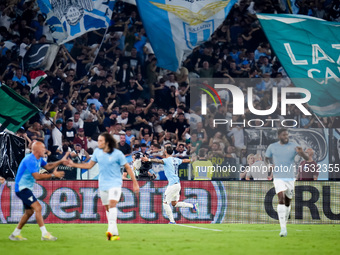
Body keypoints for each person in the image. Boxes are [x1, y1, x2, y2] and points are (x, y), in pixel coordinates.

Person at [66, 132, 139, 241]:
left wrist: (135, 183)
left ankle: (109, 230)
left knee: (112, 204)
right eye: (98, 140)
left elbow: (128, 168)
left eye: (100, 141)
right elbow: (89, 166)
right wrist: (74, 164)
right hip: (103, 184)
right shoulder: (97, 152)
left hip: (115, 183)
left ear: (107, 142)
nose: (98, 143)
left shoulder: (117, 154)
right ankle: (115, 233)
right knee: (107, 208)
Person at [9, 141, 67, 241]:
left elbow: (48, 166)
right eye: (43, 148)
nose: (45, 149)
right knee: (38, 207)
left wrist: (60, 161)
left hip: (25, 188)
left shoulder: (39, 159)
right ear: (36, 150)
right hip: (22, 188)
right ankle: (44, 234)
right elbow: (37, 176)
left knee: (29, 212)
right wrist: (53, 175)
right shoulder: (29, 160)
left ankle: (15, 234)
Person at [265, 129, 308, 237]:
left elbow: (307, 159)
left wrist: (301, 152)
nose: (286, 136)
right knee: (281, 199)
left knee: (288, 202)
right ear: (279, 135)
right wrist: (269, 165)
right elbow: (266, 158)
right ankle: (283, 229)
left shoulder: (294, 146)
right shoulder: (272, 146)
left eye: (287, 135)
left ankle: (285, 222)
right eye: (284, 135)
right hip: (278, 177)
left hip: (290, 178)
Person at [142, 146, 198, 224]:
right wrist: (191, 160)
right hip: (178, 184)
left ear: (165, 152)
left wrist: (148, 159)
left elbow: (158, 161)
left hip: (172, 185)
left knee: (165, 203)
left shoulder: (166, 160)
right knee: (174, 203)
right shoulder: (176, 159)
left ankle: (172, 221)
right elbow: (184, 160)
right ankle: (193, 206)